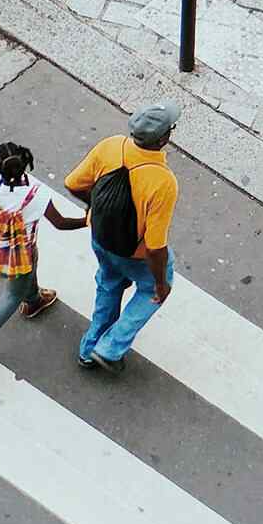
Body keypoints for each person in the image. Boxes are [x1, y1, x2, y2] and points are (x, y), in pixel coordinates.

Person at [65, 101, 181, 375]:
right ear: (163, 138)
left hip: (101, 238)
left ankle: (88, 349)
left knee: (109, 284)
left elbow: (73, 183)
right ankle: (109, 348)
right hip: (135, 255)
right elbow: (155, 247)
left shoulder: (111, 146)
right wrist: (161, 284)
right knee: (150, 292)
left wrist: (94, 209)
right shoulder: (163, 182)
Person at [0, 141, 86, 370]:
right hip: (21, 251)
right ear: (25, 164)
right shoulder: (35, 193)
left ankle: (34, 300)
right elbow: (61, 223)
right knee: (12, 294)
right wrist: (87, 220)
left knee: (26, 278)